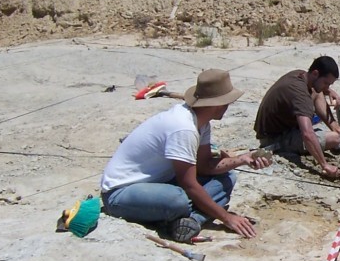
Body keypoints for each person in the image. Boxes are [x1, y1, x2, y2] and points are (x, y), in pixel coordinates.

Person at [101, 69, 268, 242]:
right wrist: (227, 218)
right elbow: (189, 185)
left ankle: (190, 222)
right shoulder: (183, 128)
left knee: (226, 179)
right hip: (120, 194)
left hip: (158, 183)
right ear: (217, 104)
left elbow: (205, 166)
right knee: (178, 199)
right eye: (227, 102)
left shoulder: (201, 124)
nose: (227, 107)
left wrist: (242, 159)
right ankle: (186, 218)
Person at [254, 56, 340, 181]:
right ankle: (339, 135)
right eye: (326, 83)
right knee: (334, 139)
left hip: (276, 128)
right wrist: (325, 165)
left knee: (317, 91)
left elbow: (317, 88)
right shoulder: (300, 95)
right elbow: (307, 133)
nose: (327, 86)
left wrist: (328, 91)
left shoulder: (300, 75)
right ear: (315, 73)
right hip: (274, 139)